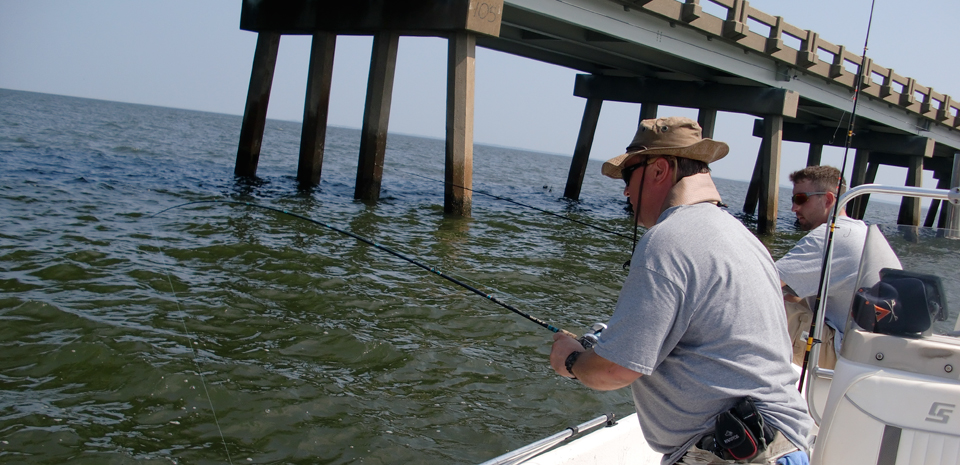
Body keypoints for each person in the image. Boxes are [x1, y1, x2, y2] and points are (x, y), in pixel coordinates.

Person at [550, 117, 814, 464]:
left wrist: (570, 359)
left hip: (741, 453)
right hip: (782, 445)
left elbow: (615, 371)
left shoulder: (668, 239)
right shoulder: (746, 240)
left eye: (629, 177)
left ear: (659, 169)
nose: (626, 191)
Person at [775, 166, 867, 369]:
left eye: (800, 199)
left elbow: (761, 283)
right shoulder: (860, 230)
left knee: (756, 304)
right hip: (864, 353)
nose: (794, 208)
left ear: (827, 199)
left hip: (840, 353)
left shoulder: (831, 236)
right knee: (790, 296)